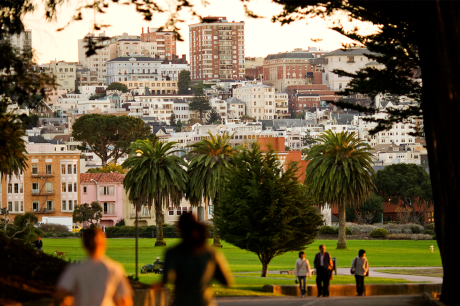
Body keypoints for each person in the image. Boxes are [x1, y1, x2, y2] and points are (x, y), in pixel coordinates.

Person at [159, 212, 233, 306]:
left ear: (179, 228)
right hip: (205, 302)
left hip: (181, 302)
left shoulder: (172, 253)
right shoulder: (210, 253)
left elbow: (166, 278)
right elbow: (226, 282)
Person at [55, 227, 133, 306]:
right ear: (103, 243)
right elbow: (124, 301)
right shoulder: (114, 269)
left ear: (84, 244)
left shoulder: (75, 269)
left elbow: (61, 294)